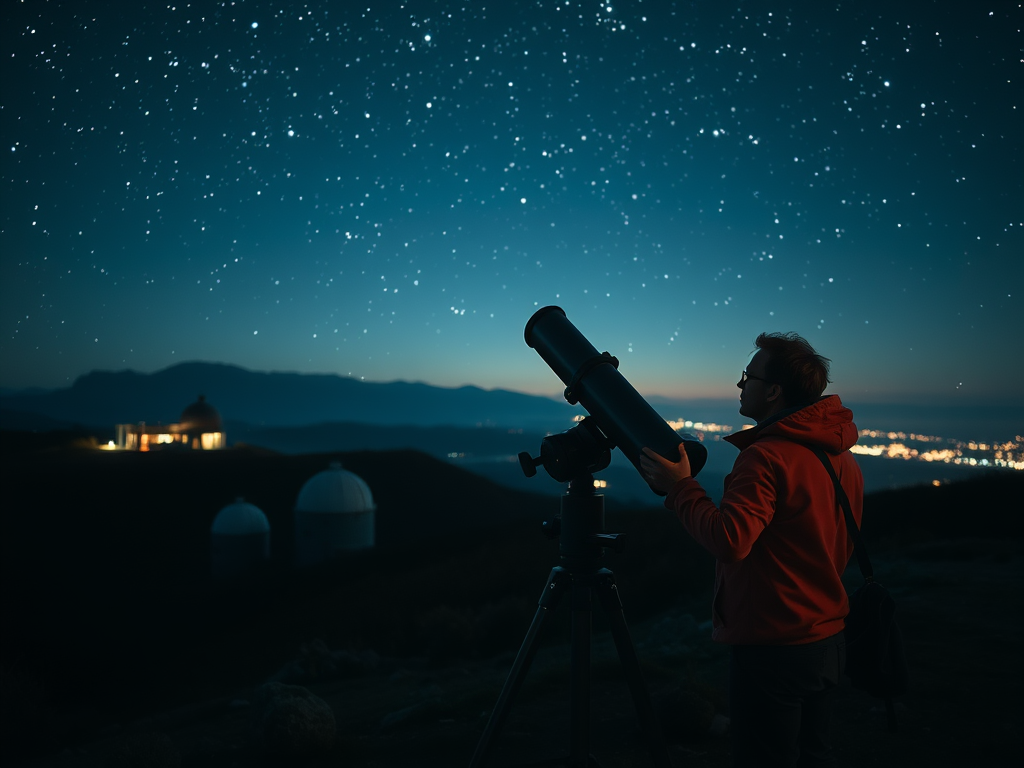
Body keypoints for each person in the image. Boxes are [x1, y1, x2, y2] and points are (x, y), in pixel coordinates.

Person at [640, 332, 863, 768]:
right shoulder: (842, 458)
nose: (741, 386)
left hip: (774, 647)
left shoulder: (767, 457)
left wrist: (681, 488)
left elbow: (729, 541)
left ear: (774, 390)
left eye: (748, 376)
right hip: (828, 637)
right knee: (813, 756)